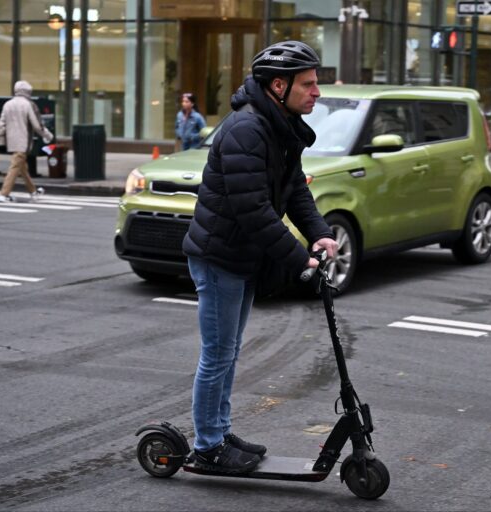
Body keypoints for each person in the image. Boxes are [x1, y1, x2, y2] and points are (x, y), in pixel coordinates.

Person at [181, 41, 338, 474]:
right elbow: (253, 209)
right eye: (308, 84)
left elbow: (294, 191)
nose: (316, 92)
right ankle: (208, 446)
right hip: (220, 256)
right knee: (218, 353)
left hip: (242, 255)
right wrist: (298, 260)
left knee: (228, 352)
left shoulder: (278, 125)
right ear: (278, 85)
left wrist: (319, 235)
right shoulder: (246, 131)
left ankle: (218, 429)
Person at [0, 80, 53, 202]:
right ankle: (4, 194)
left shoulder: (7, 104)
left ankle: (33, 192)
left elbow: (1, 124)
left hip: (11, 142)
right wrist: (47, 135)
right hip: (23, 142)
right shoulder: (29, 105)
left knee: (22, 168)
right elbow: (37, 125)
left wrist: (1, 141)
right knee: (15, 167)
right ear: (28, 91)